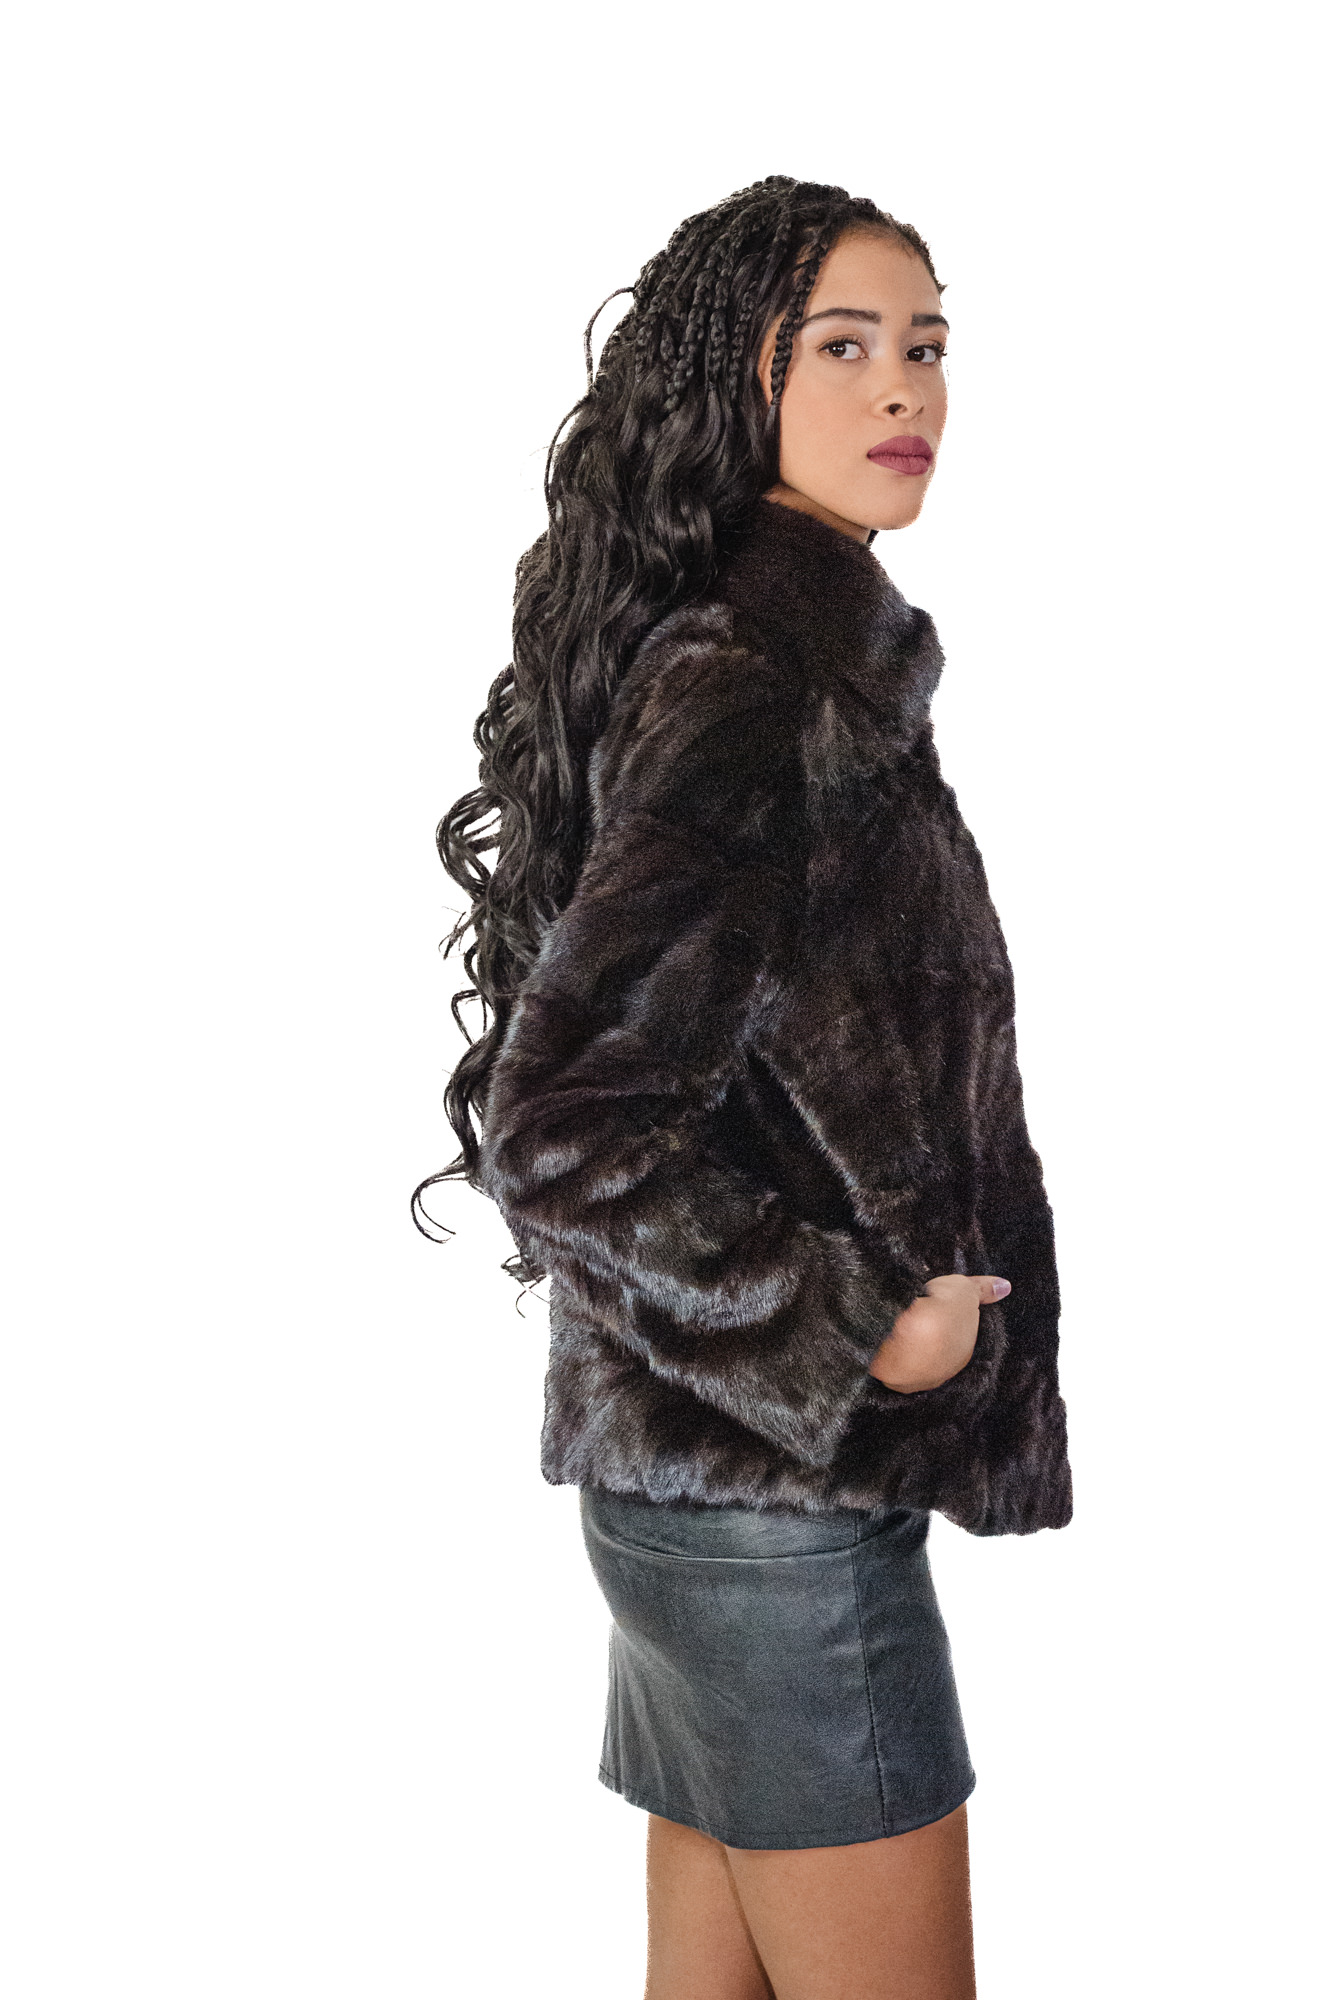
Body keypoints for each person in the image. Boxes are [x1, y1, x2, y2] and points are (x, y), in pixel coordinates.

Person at [417, 175, 1074, 2000]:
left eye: (926, 345)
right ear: (736, 379)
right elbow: (564, 1129)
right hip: (774, 1510)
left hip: (706, 1493)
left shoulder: (799, 661)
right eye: (842, 347)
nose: (905, 389)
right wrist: (852, 1326)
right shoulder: (762, 680)